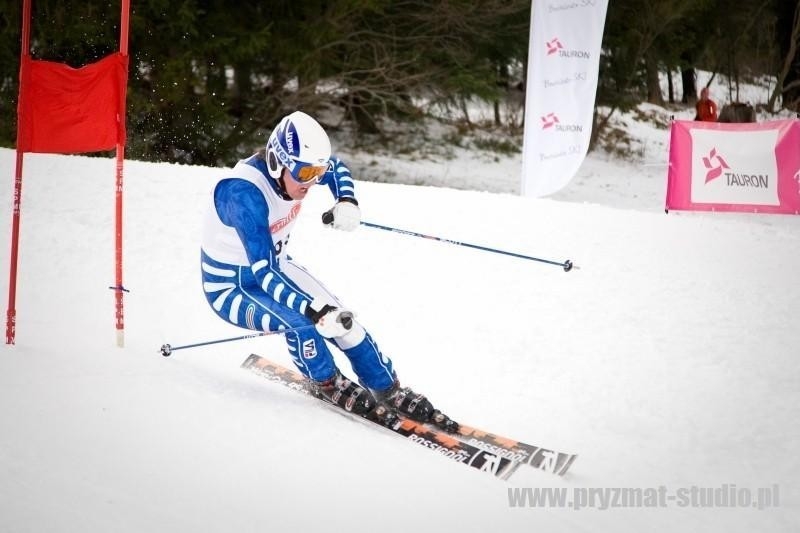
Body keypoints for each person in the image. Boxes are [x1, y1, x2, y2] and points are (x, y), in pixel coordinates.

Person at [200, 110, 457, 432]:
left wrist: (346, 200)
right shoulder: (243, 194)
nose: (312, 181)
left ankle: (387, 388)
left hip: (277, 268)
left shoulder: (297, 170)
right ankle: (326, 382)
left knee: (343, 322)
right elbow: (263, 273)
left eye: (316, 172)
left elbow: (335, 167)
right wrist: (313, 310)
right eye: (306, 173)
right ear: (278, 162)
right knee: (302, 324)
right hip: (231, 287)